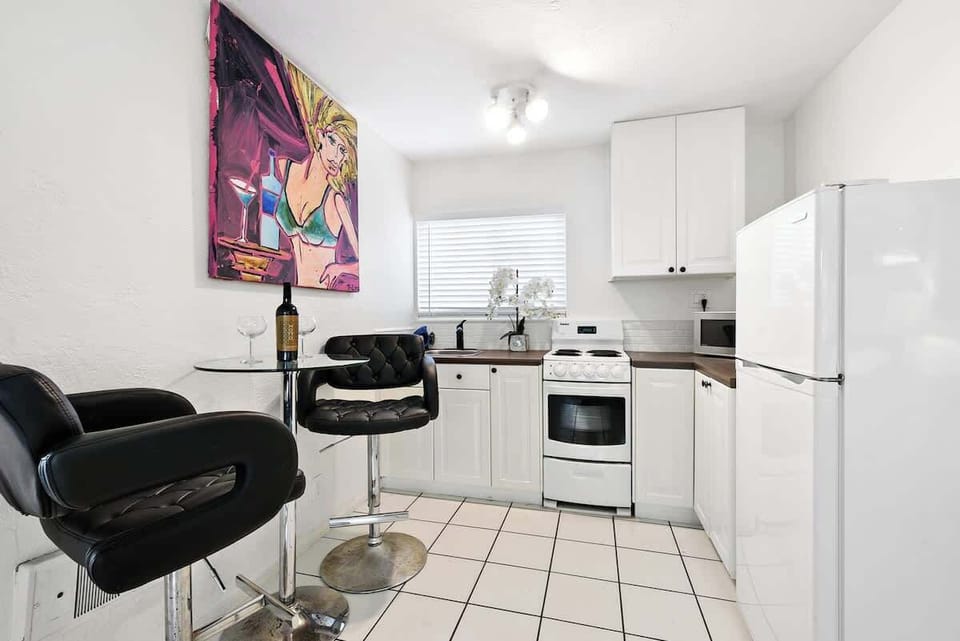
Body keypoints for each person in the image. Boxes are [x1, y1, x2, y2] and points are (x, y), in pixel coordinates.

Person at [276, 64, 359, 289]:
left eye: (344, 151)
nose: (337, 156)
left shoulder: (335, 201)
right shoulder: (284, 169)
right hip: (294, 294)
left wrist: (340, 268)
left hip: (322, 293)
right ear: (320, 135)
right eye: (334, 142)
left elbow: (360, 264)